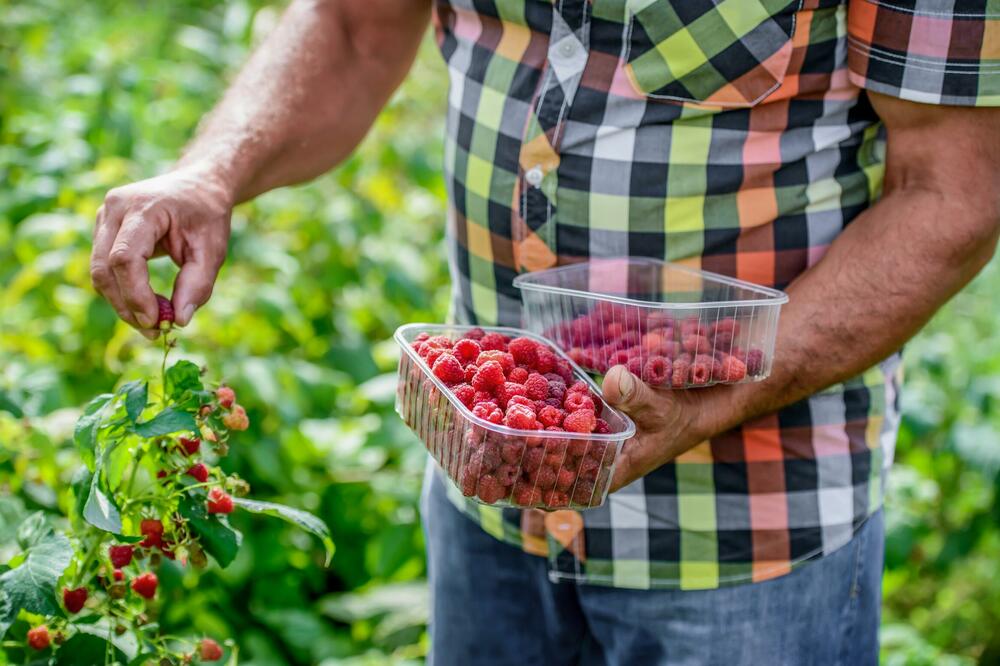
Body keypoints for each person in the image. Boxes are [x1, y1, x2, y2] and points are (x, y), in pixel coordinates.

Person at [89, 1, 1000, 664]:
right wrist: (212, 171)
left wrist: (737, 386)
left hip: (746, 530)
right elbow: (354, 27)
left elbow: (953, 189)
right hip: (491, 498)